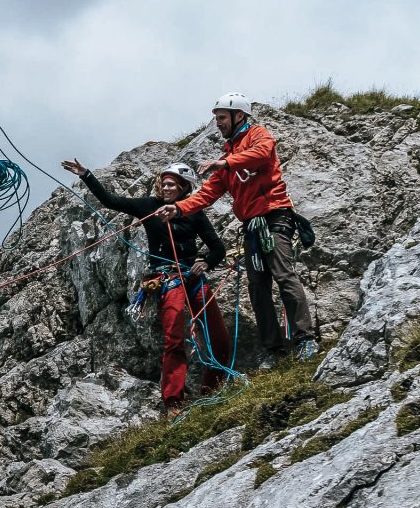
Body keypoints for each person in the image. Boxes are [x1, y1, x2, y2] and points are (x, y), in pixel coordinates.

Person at [61, 158, 232, 416]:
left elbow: (218, 248)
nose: (166, 188)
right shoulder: (149, 206)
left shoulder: (193, 211)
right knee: (174, 338)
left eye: (172, 185)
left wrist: (206, 262)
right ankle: (174, 403)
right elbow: (110, 201)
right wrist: (86, 175)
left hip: (192, 278)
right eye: (164, 184)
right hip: (168, 279)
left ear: (184, 188)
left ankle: (212, 390)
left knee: (219, 337)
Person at [156, 92, 318, 362]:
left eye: (221, 118)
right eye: (217, 118)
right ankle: (273, 349)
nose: (218, 123)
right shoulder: (228, 157)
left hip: (275, 217)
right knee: (257, 286)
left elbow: (263, 152)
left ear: (238, 116)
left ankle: (305, 339)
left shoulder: (257, 135)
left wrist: (226, 162)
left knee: (283, 275)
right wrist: (179, 208)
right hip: (252, 226)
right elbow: (207, 193)